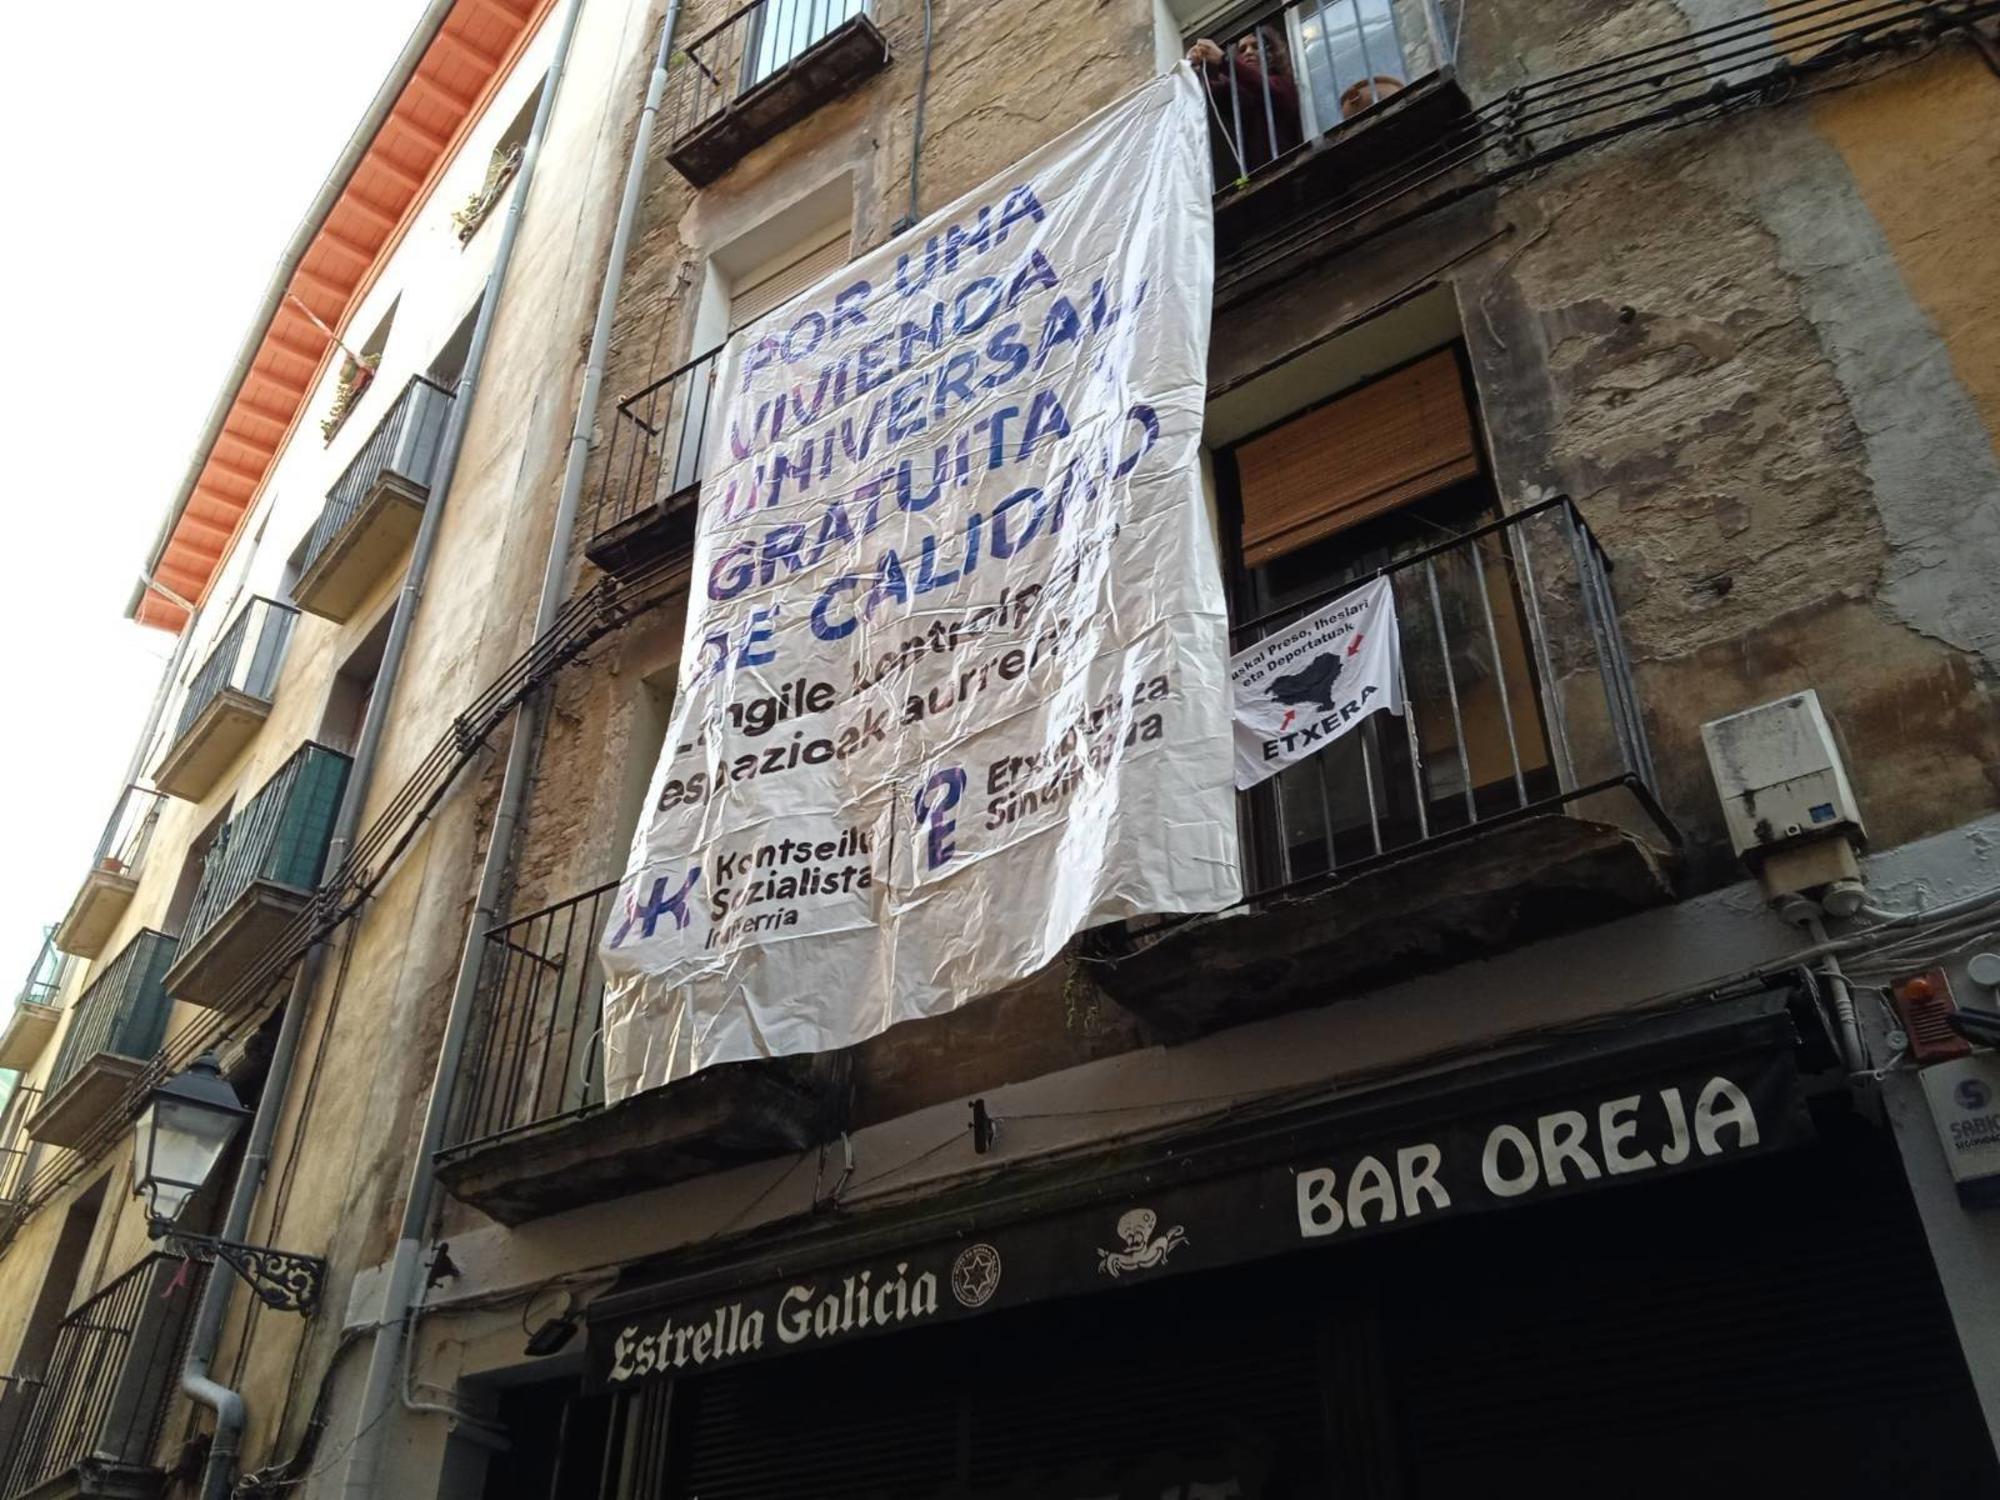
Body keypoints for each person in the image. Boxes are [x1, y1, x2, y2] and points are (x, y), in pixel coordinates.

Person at [1188, 27, 1303, 181]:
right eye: (1242, 50)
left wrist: (1225, 61)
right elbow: (1213, 92)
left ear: (1271, 54)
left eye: (1255, 46)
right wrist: (1194, 69)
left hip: (1291, 174)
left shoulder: (1284, 84)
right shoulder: (1239, 95)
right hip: (1258, 181)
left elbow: (1267, 88)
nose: (1248, 52)